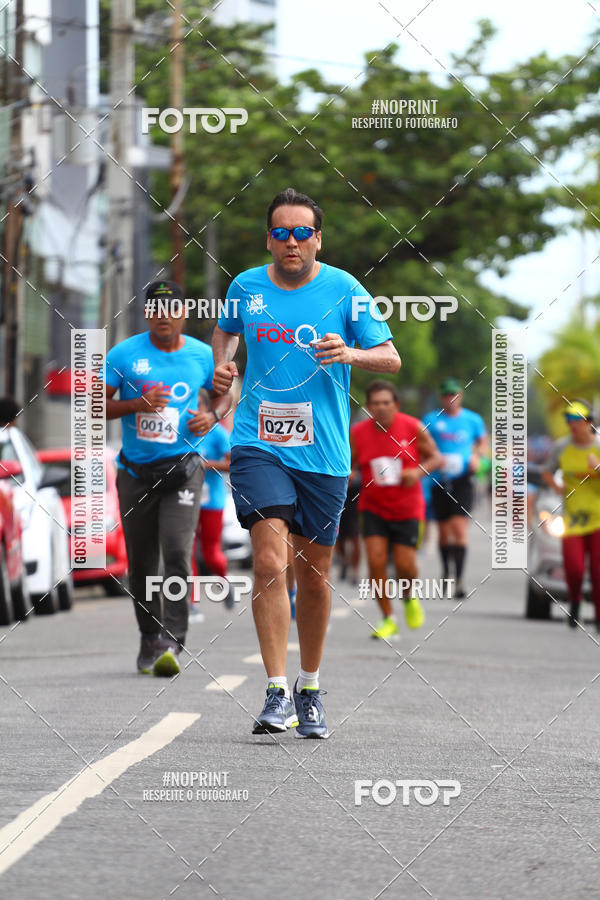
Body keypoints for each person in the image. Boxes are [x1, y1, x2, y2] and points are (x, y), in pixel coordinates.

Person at [211, 187, 400, 738]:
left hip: (323, 453)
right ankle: (275, 691)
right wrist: (223, 370)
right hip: (257, 442)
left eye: (301, 233)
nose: (290, 242)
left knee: (314, 577)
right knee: (271, 562)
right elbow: (226, 331)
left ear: (318, 238)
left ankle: (309, 685)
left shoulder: (346, 290)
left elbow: (390, 356)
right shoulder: (246, 287)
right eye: (280, 233)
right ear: (269, 238)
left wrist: (351, 354)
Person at [105, 280, 229, 676]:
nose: (164, 317)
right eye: (156, 311)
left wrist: (212, 415)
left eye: (172, 310)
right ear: (147, 315)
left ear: (183, 315)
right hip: (135, 473)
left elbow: (222, 393)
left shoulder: (201, 354)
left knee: (176, 551)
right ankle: (149, 638)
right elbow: (94, 406)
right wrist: (136, 403)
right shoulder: (124, 354)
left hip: (183, 470)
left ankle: (173, 639)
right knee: (142, 562)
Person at [351, 380, 442, 639]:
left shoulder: (413, 426)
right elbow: (349, 464)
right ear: (368, 407)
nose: (381, 408)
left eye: (386, 403)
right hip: (373, 507)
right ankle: (388, 618)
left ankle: (409, 596)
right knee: (376, 561)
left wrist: (418, 471)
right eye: (376, 404)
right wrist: (347, 475)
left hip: (407, 507)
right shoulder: (358, 432)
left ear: (396, 405)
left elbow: (435, 457)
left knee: (405, 566)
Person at [423, 378, 488, 599]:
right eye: (446, 395)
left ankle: (459, 580)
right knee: (444, 532)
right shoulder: (431, 419)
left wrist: (477, 457)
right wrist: (432, 457)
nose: (451, 398)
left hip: (463, 480)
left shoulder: (473, 419)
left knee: (459, 529)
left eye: (454, 394)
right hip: (439, 479)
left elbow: (482, 442)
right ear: (441, 397)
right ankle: (446, 570)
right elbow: (420, 443)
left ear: (461, 395)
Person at [541, 400, 600, 630]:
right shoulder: (561, 447)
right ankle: (575, 601)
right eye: (569, 420)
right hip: (572, 520)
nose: (572, 425)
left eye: (577, 420)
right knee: (574, 569)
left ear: (589, 422)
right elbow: (547, 471)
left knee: (597, 571)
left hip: (597, 519)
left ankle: (597, 616)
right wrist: (556, 487)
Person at [190, 389, 232, 616]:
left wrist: (206, 465)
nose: (194, 409)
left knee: (210, 552)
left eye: (198, 404)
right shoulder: (182, 428)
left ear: (207, 408)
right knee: (185, 549)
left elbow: (231, 464)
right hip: (186, 496)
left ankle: (225, 582)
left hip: (212, 499)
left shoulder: (218, 434)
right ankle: (191, 602)